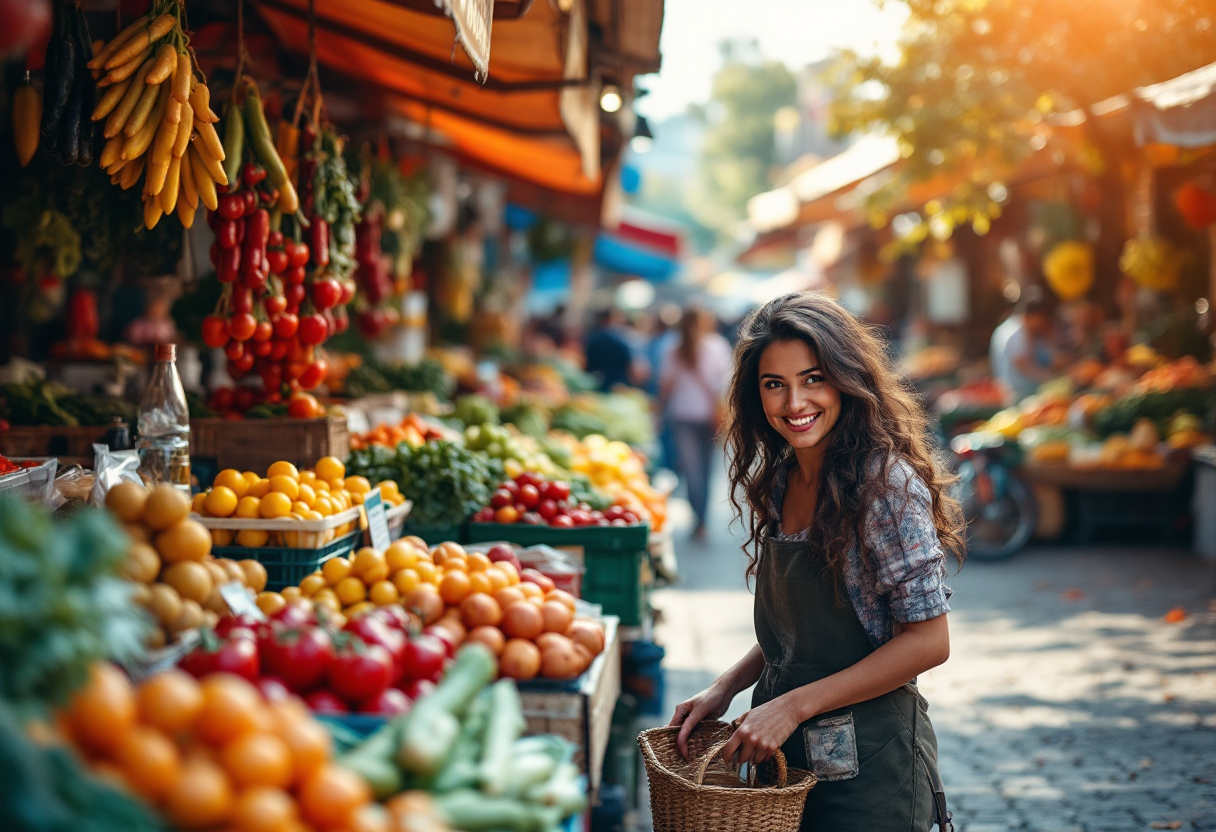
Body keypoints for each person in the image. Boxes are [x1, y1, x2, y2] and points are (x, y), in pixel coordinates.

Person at [668, 292, 965, 832]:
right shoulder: (783, 481)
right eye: (774, 384)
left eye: (813, 379)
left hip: (875, 775)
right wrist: (726, 686)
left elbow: (928, 640)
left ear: (846, 380)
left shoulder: (883, 485)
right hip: (790, 764)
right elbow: (797, 633)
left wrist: (791, 707)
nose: (794, 402)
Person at [659, 307, 732, 540]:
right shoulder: (718, 345)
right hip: (711, 417)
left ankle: (698, 517)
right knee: (706, 470)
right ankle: (702, 520)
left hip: (682, 416)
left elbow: (665, 384)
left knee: (692, 471)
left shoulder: (672, 347)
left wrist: (659, 410)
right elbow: (727, 384)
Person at [989, 292, 1058, 402]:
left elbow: (1049, 358)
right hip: (1017, 396)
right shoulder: (1015, 332)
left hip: (1023, 394)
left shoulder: (1024, 330)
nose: (1042, 323)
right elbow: (1022, 365)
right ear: (1028, 316)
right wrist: (1051, 378)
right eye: (1040, 318)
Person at [583, 307, 635, 392]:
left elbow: (585, 362)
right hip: (617, 386)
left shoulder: (592, 338)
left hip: (594, 384)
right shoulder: (620, 340)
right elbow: (630, 365)